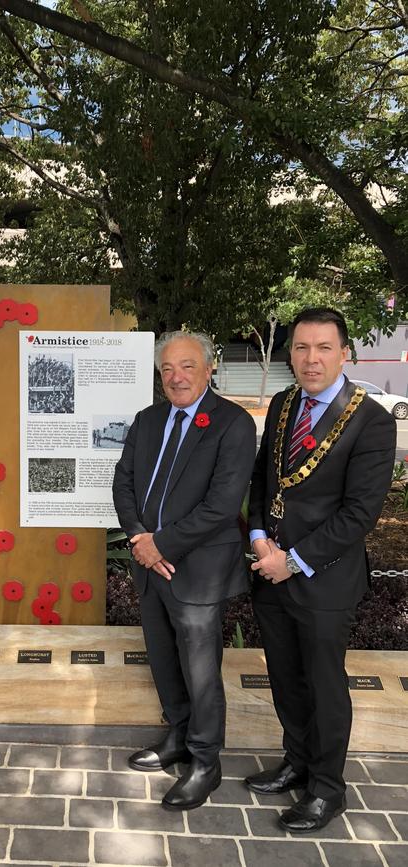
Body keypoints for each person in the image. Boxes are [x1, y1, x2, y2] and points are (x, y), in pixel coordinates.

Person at [246, 307, 396, 833]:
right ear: (290, 353)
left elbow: (360, 513)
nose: (312, 359)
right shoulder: (286, 403)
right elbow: (266, 478)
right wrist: (260, 537)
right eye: (302, 348)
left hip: (324, 578)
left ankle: (328, 789)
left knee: (324, 686)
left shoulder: (374, 420)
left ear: (345, 353)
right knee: (285, 679)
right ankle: (297, 762)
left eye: (324, 348)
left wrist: (294, 561)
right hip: (270, 568)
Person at [112, 331, 256, 810]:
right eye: (168, 368)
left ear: (209, 368)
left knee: (200, 670)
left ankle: (205, 761)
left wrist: (161, 544)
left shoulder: (232, 424)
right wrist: (139, 540)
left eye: (188, 366)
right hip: (150, 564)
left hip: (197, 570)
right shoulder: (148, 419)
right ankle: (177, 735)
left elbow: (221, 505)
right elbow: (124, 481)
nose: (177, 377)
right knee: (163, 657)